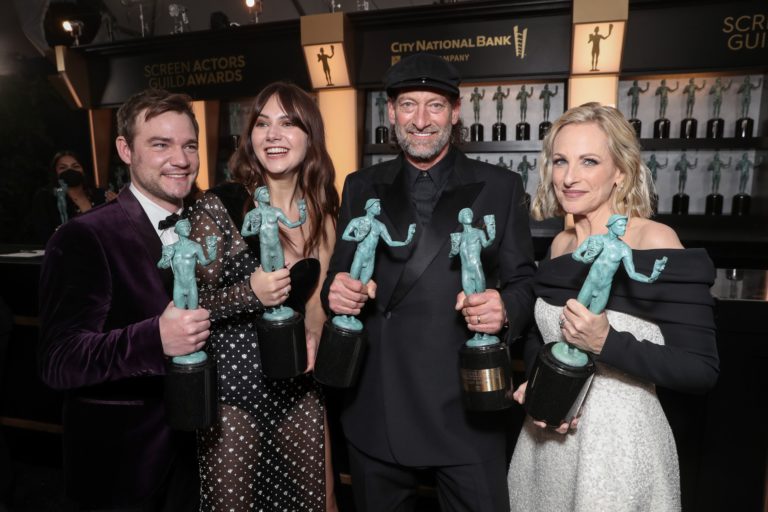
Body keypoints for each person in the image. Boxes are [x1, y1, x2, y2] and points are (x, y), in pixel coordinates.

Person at [322, 52, 536, 512]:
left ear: (455, 112)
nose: (420, 120)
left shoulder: (500, 186)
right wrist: (335, 292)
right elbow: (337, 276)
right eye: (408, 105)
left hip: (467, 408)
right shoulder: (360, 185)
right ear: (391, 112)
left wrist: (506, 309)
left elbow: (523, 282)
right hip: (378, 405)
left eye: (434, 105)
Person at [507, 102, 719, 511]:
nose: (569, 177)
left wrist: (606, 342)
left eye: (589, 162)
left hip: (619, 449)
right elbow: (542, 335)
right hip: (548, 438)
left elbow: (700, 370)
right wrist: (538, 386)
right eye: (560, 161)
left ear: (621, 171)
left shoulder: (653, 241)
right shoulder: (560, 245)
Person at [38, 89, 207, 510]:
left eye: (189, 145)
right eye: (160, 144)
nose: (181, 159)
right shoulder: (85, 236)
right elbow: (59, 360)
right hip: (124, 472)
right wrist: (155, 339)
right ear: (125, 150)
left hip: (203, 460)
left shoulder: (210, 224)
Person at [187, 81, 340, 511]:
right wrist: (249, 293)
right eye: (262, 123)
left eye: (288, 123)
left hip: (299, 390)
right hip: (233, 395)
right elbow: (189, 307)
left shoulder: (325, 210)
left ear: (310, 137)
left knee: (316, 502)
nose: (272, 134)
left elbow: (316, 314)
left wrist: (342, 307)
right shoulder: (219, 207)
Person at [29, 150, 116, 244]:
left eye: (75, 166)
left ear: (83, 170)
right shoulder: (46, 198)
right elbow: (44, 234)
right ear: (55, 173)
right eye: (63, 167)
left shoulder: (101, 195)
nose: (70, 170)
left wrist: (118, 207)